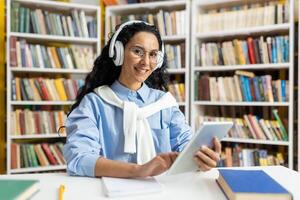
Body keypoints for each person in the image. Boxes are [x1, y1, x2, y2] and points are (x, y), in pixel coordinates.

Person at [63, 20, 221, 178]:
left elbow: (186, 148)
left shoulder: (164, 103)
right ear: (118, 53)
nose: (146, 62)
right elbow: (79, 159)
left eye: (152, 54)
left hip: (162, 191)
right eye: (138, 51)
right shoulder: (93, 103)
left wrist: (202, 158)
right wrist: (138, 170)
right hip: (110, 192)